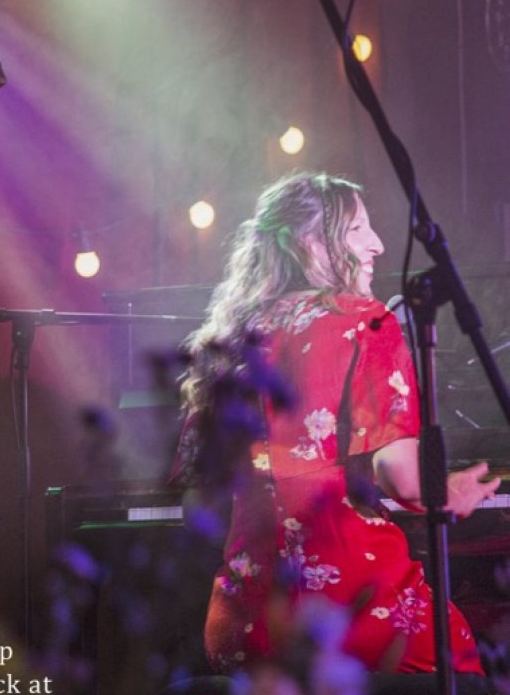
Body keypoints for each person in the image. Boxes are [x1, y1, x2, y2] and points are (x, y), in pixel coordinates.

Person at [170, 172, 501, 690]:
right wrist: (450, 489)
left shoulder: (230, 338)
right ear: (308, 242)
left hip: (246, 624)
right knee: (464, 665)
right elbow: (403, 480)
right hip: (349, 611)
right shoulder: (365, 322)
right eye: (357, 230)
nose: (377, 244)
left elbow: (201, 494)